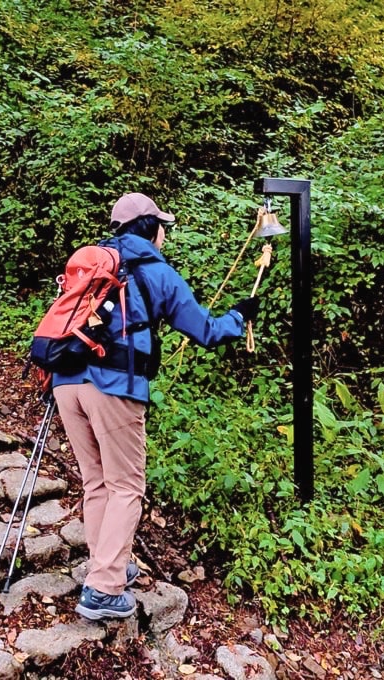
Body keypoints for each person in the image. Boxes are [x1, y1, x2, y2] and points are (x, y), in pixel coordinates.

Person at [53, 192, 259, 621]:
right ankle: (104, 588)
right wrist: (239, 318)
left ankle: (105, 563)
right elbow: (204, 330)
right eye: (161, 224)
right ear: (149, 227)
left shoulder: (93, 265)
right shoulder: (155, 272)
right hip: (113, 386)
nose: (164, 232)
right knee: (127, 486)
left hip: (66, 382)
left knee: (97, 483)